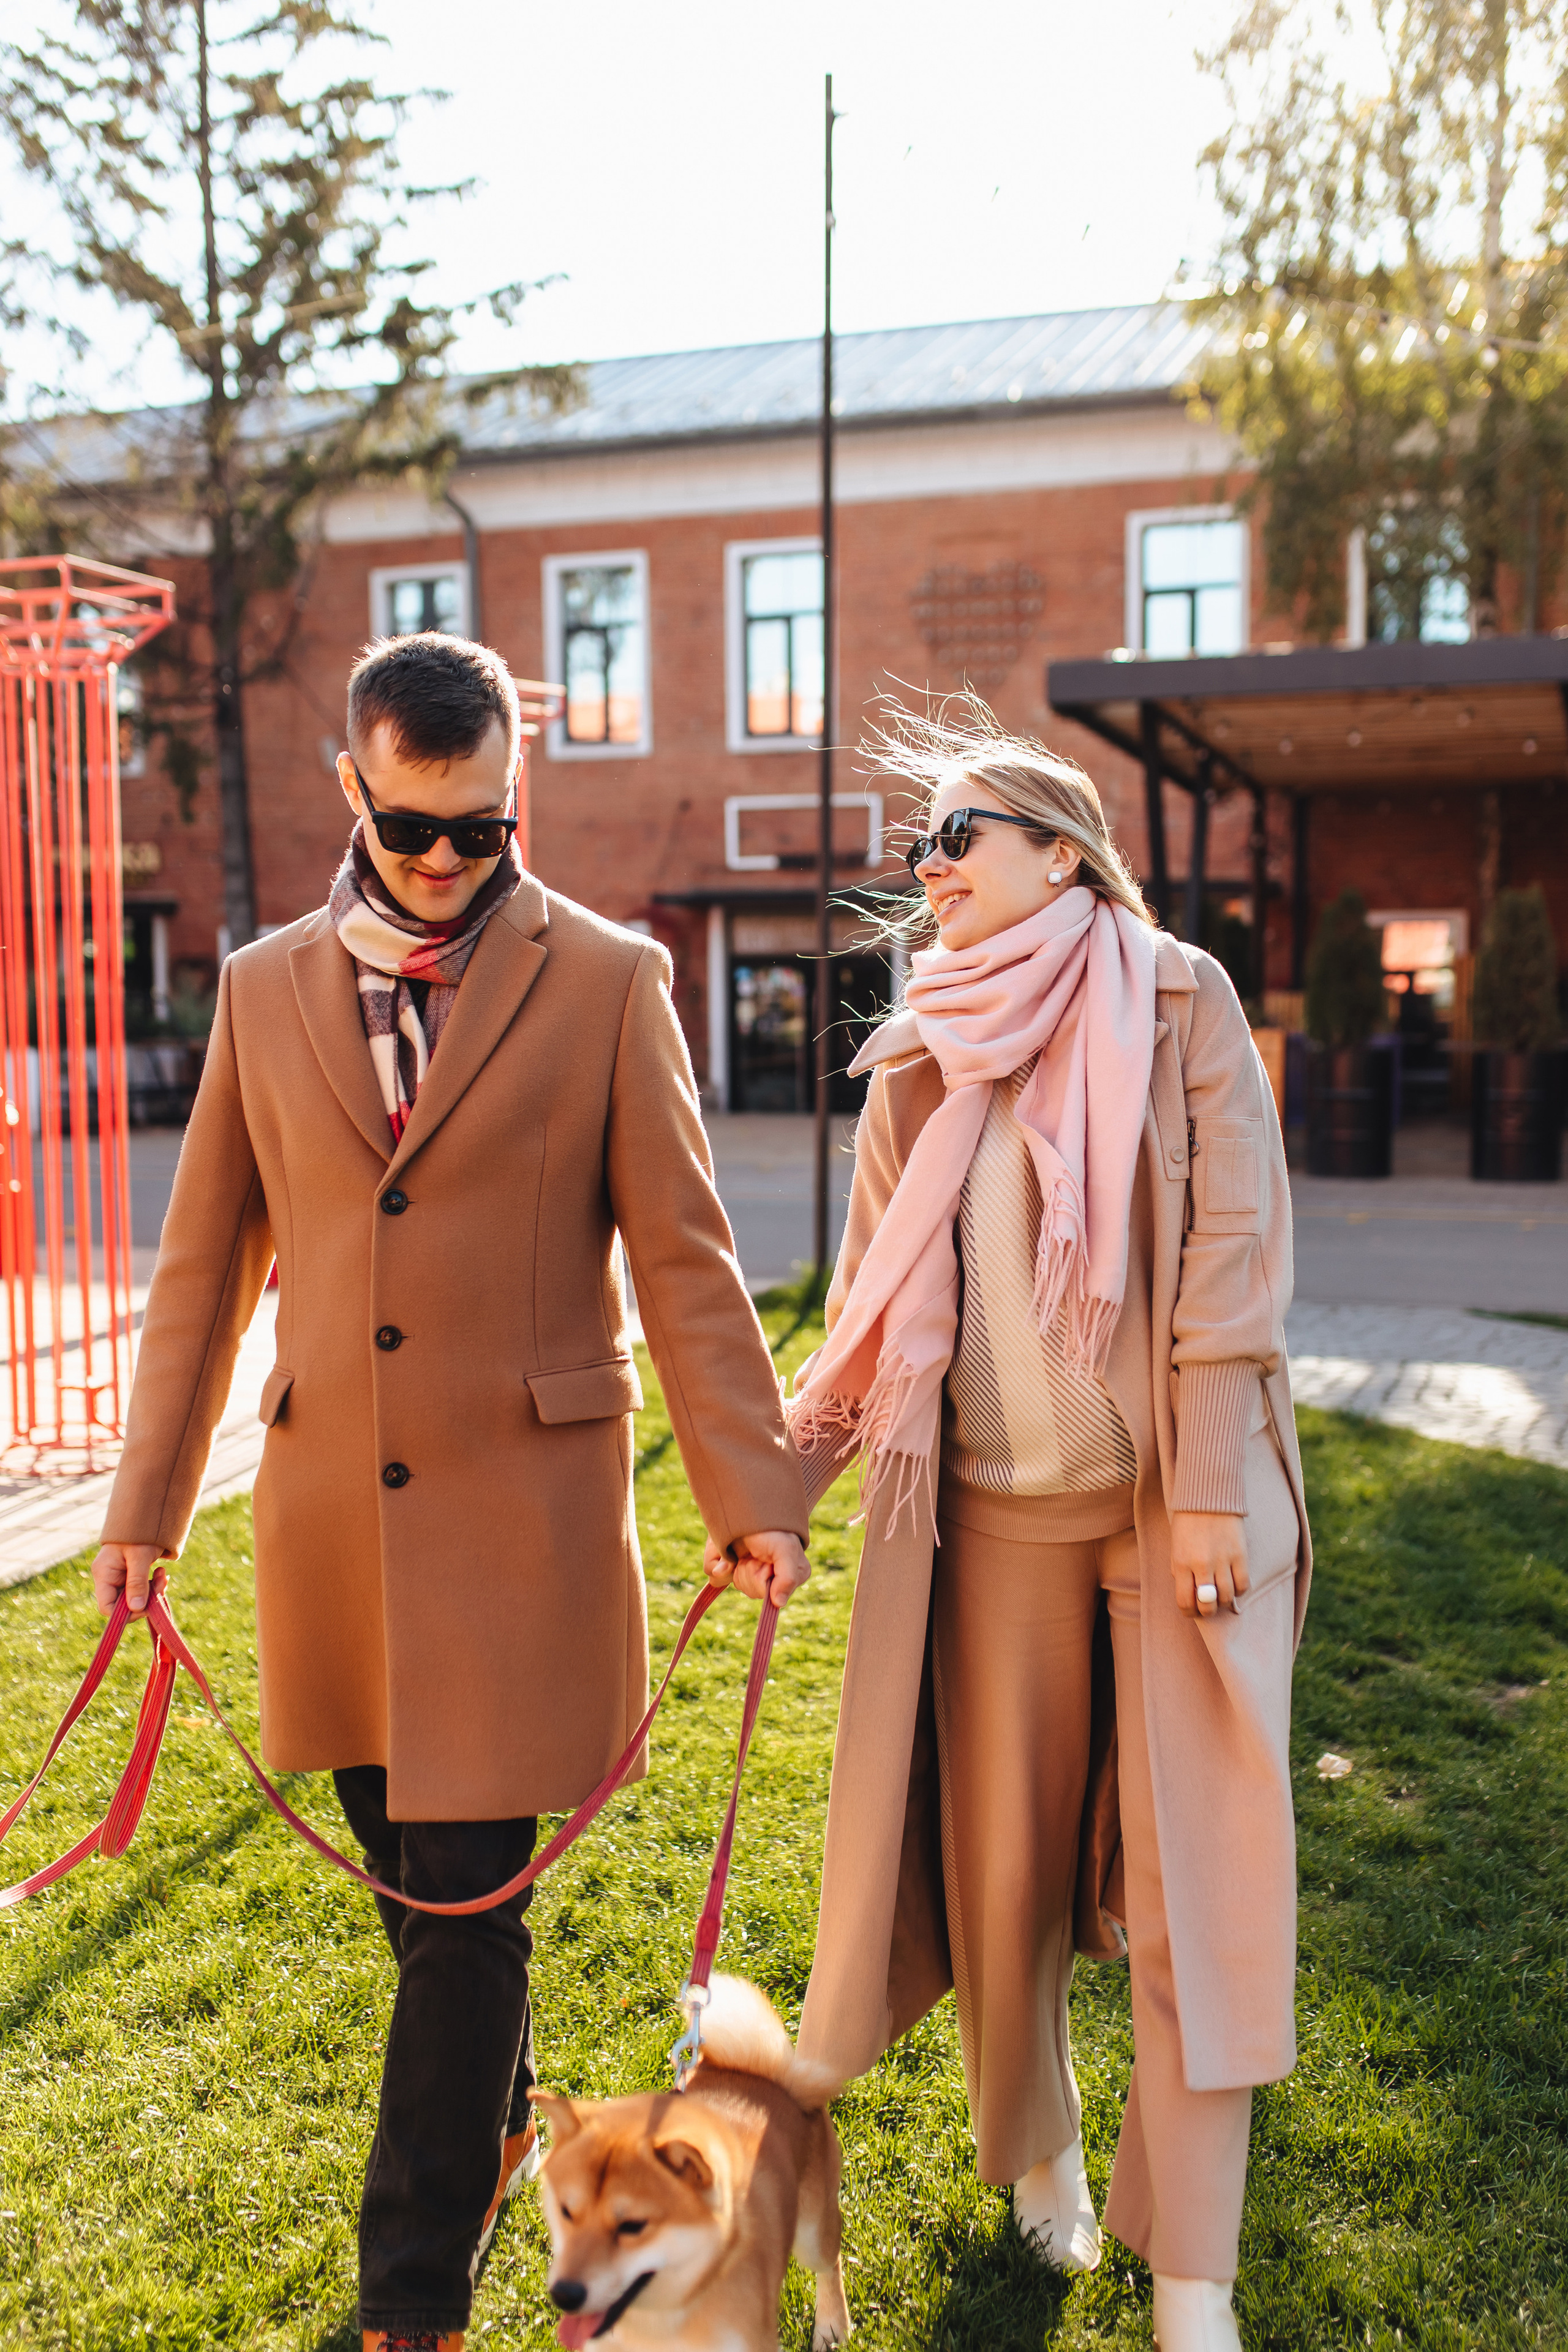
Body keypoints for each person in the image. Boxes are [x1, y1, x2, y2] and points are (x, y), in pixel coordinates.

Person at [91, 631, 810, 2352]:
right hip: (332, 1535)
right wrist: (138, 1519)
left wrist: (756, 1486)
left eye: (476, 832)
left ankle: (408, 2302)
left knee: (465, 1913)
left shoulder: (615, 980)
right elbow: (200, 1275)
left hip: (523, 1534)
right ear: (350, 786)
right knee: (428, 1917)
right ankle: (504, 2128)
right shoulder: (263, 993)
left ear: (518, 800)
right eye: (409, 827)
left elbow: (690, 1260)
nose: (440, 863)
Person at [786, 700, 1310, 2352]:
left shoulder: (1180, 1000)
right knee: (1002, 1879)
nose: (928, 867)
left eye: (962, 836)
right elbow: (868, 1319)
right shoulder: (921, 1043)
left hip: (1176, 1517)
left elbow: (1234, 1260)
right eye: (921, 843)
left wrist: (1217, 1486)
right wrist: (768, 1494)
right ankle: (1042, 2161)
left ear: (1062, 851)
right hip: (993, 1528)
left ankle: (1197, 2276)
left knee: (1190, 1896)